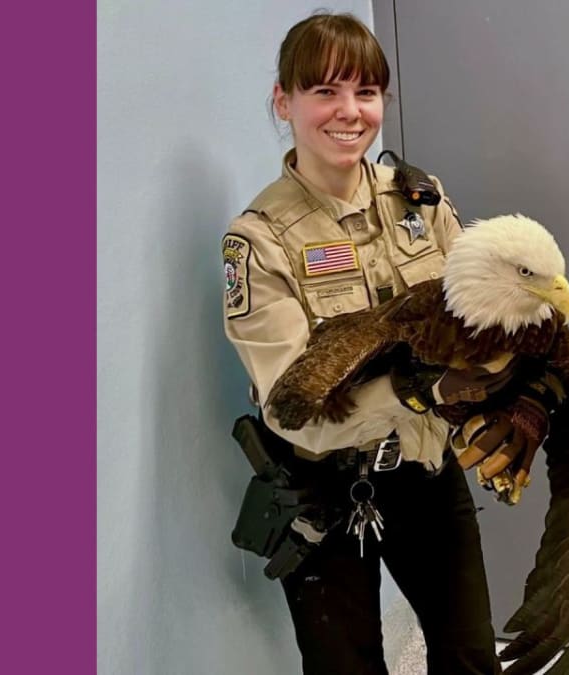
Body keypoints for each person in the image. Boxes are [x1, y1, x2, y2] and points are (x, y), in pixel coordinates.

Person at [222, 12, 549, 675]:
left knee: (470, 659)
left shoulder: (422, 201)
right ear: (284, 101)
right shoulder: (259, 240)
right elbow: (294, 407)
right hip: (323, 487)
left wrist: (520, 387)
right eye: (325, 92)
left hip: (427, 472)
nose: (350, 112)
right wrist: (420, 387)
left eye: (366, 92)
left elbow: (482, 319)